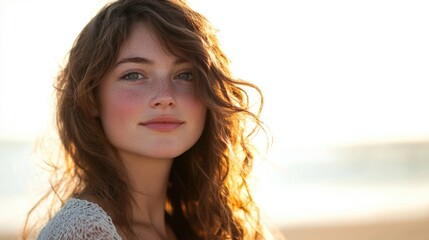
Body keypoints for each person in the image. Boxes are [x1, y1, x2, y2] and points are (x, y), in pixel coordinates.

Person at [23, 0, 277, 239]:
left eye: (185, 75)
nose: (165, 97)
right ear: (91, 99)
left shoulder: (196, 225)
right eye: (134, 75)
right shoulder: (86, 232)